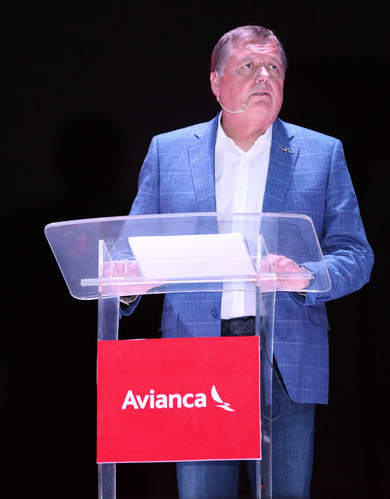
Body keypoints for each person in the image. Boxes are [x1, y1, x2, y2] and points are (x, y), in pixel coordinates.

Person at [120, 25, 373, 499]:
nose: (264, 77)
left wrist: (305, 275)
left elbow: (357, 255)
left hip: (284, 352)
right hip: (198, 357)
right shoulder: (169, 151)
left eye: (274, 68)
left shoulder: (322, 153)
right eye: (248, 67)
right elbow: (129, 252)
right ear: (216, 82)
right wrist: (129, 280)